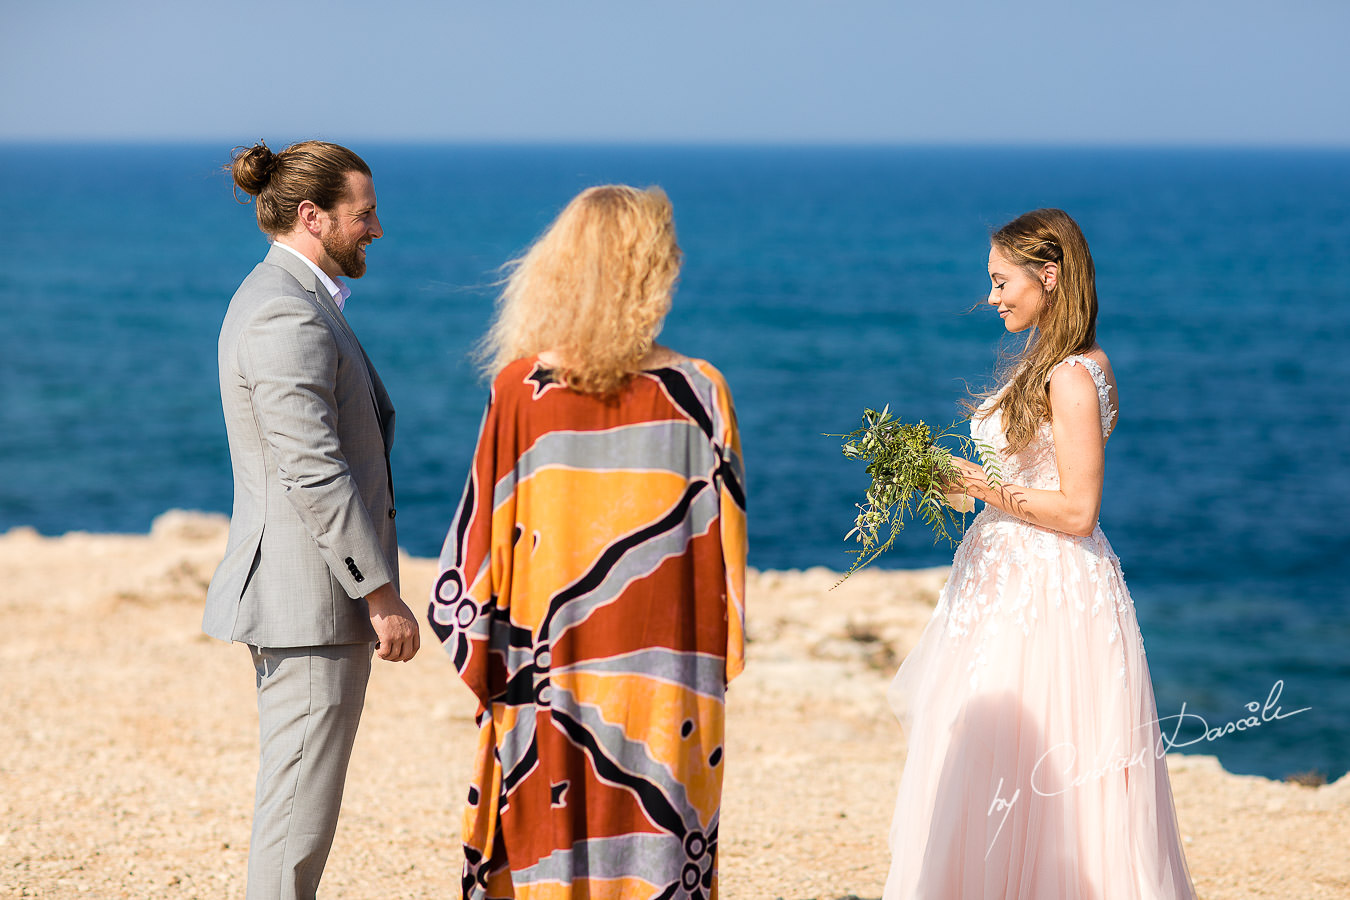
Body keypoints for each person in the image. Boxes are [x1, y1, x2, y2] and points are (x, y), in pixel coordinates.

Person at [428, 185, 747, 900]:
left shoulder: (520, 390)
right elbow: (725, 568)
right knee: (658, 846)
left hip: (548, 681)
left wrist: (493, 666)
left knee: (548, 844)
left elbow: (474, 563)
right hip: (669, 681)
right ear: (652, 270)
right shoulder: (701, 393)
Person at [883, 209, 1195, 898]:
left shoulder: (1071, 377)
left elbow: (1079, 511)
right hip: (1006, 583)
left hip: (1045, 595)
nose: (991, 297)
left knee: (1032, 762)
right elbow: (1029, 484)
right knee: (987, 757)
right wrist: (942, 479)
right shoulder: (1060, 362)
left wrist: (985, 487)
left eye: (1001, 282)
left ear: (1048, 275)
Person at [205, 139, 421, 900]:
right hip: (312, 605)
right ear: (312, 216)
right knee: (297, 816)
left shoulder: (288, 302)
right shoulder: (284, 316)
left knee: (300, 809)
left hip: (311, 603)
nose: (376, 229)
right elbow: (314, 470)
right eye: (363, 215)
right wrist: (380, 592)